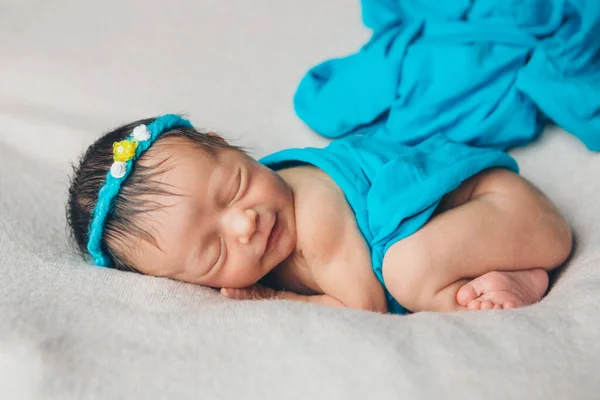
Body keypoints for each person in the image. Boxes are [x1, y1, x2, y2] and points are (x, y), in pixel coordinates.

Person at [66, 114, 572, 314]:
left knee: (406, 270)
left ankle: (525, 274)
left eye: (235, 187)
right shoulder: (264, 223)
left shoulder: (312, 210)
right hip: (484, 224)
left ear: (226, 146)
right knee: (412, 263)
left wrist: (275, 295)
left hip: (504, 205)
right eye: (214, 250)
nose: (247, 224)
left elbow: (366, 304)